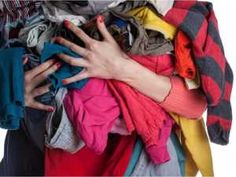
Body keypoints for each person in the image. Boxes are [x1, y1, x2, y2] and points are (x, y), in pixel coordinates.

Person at [24, 15, 206, 116]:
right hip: (34, 150)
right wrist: (10, 93)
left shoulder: (165, 10)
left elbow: (196, 104)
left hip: (130, 158)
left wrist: (121, 68)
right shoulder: (16, 12)